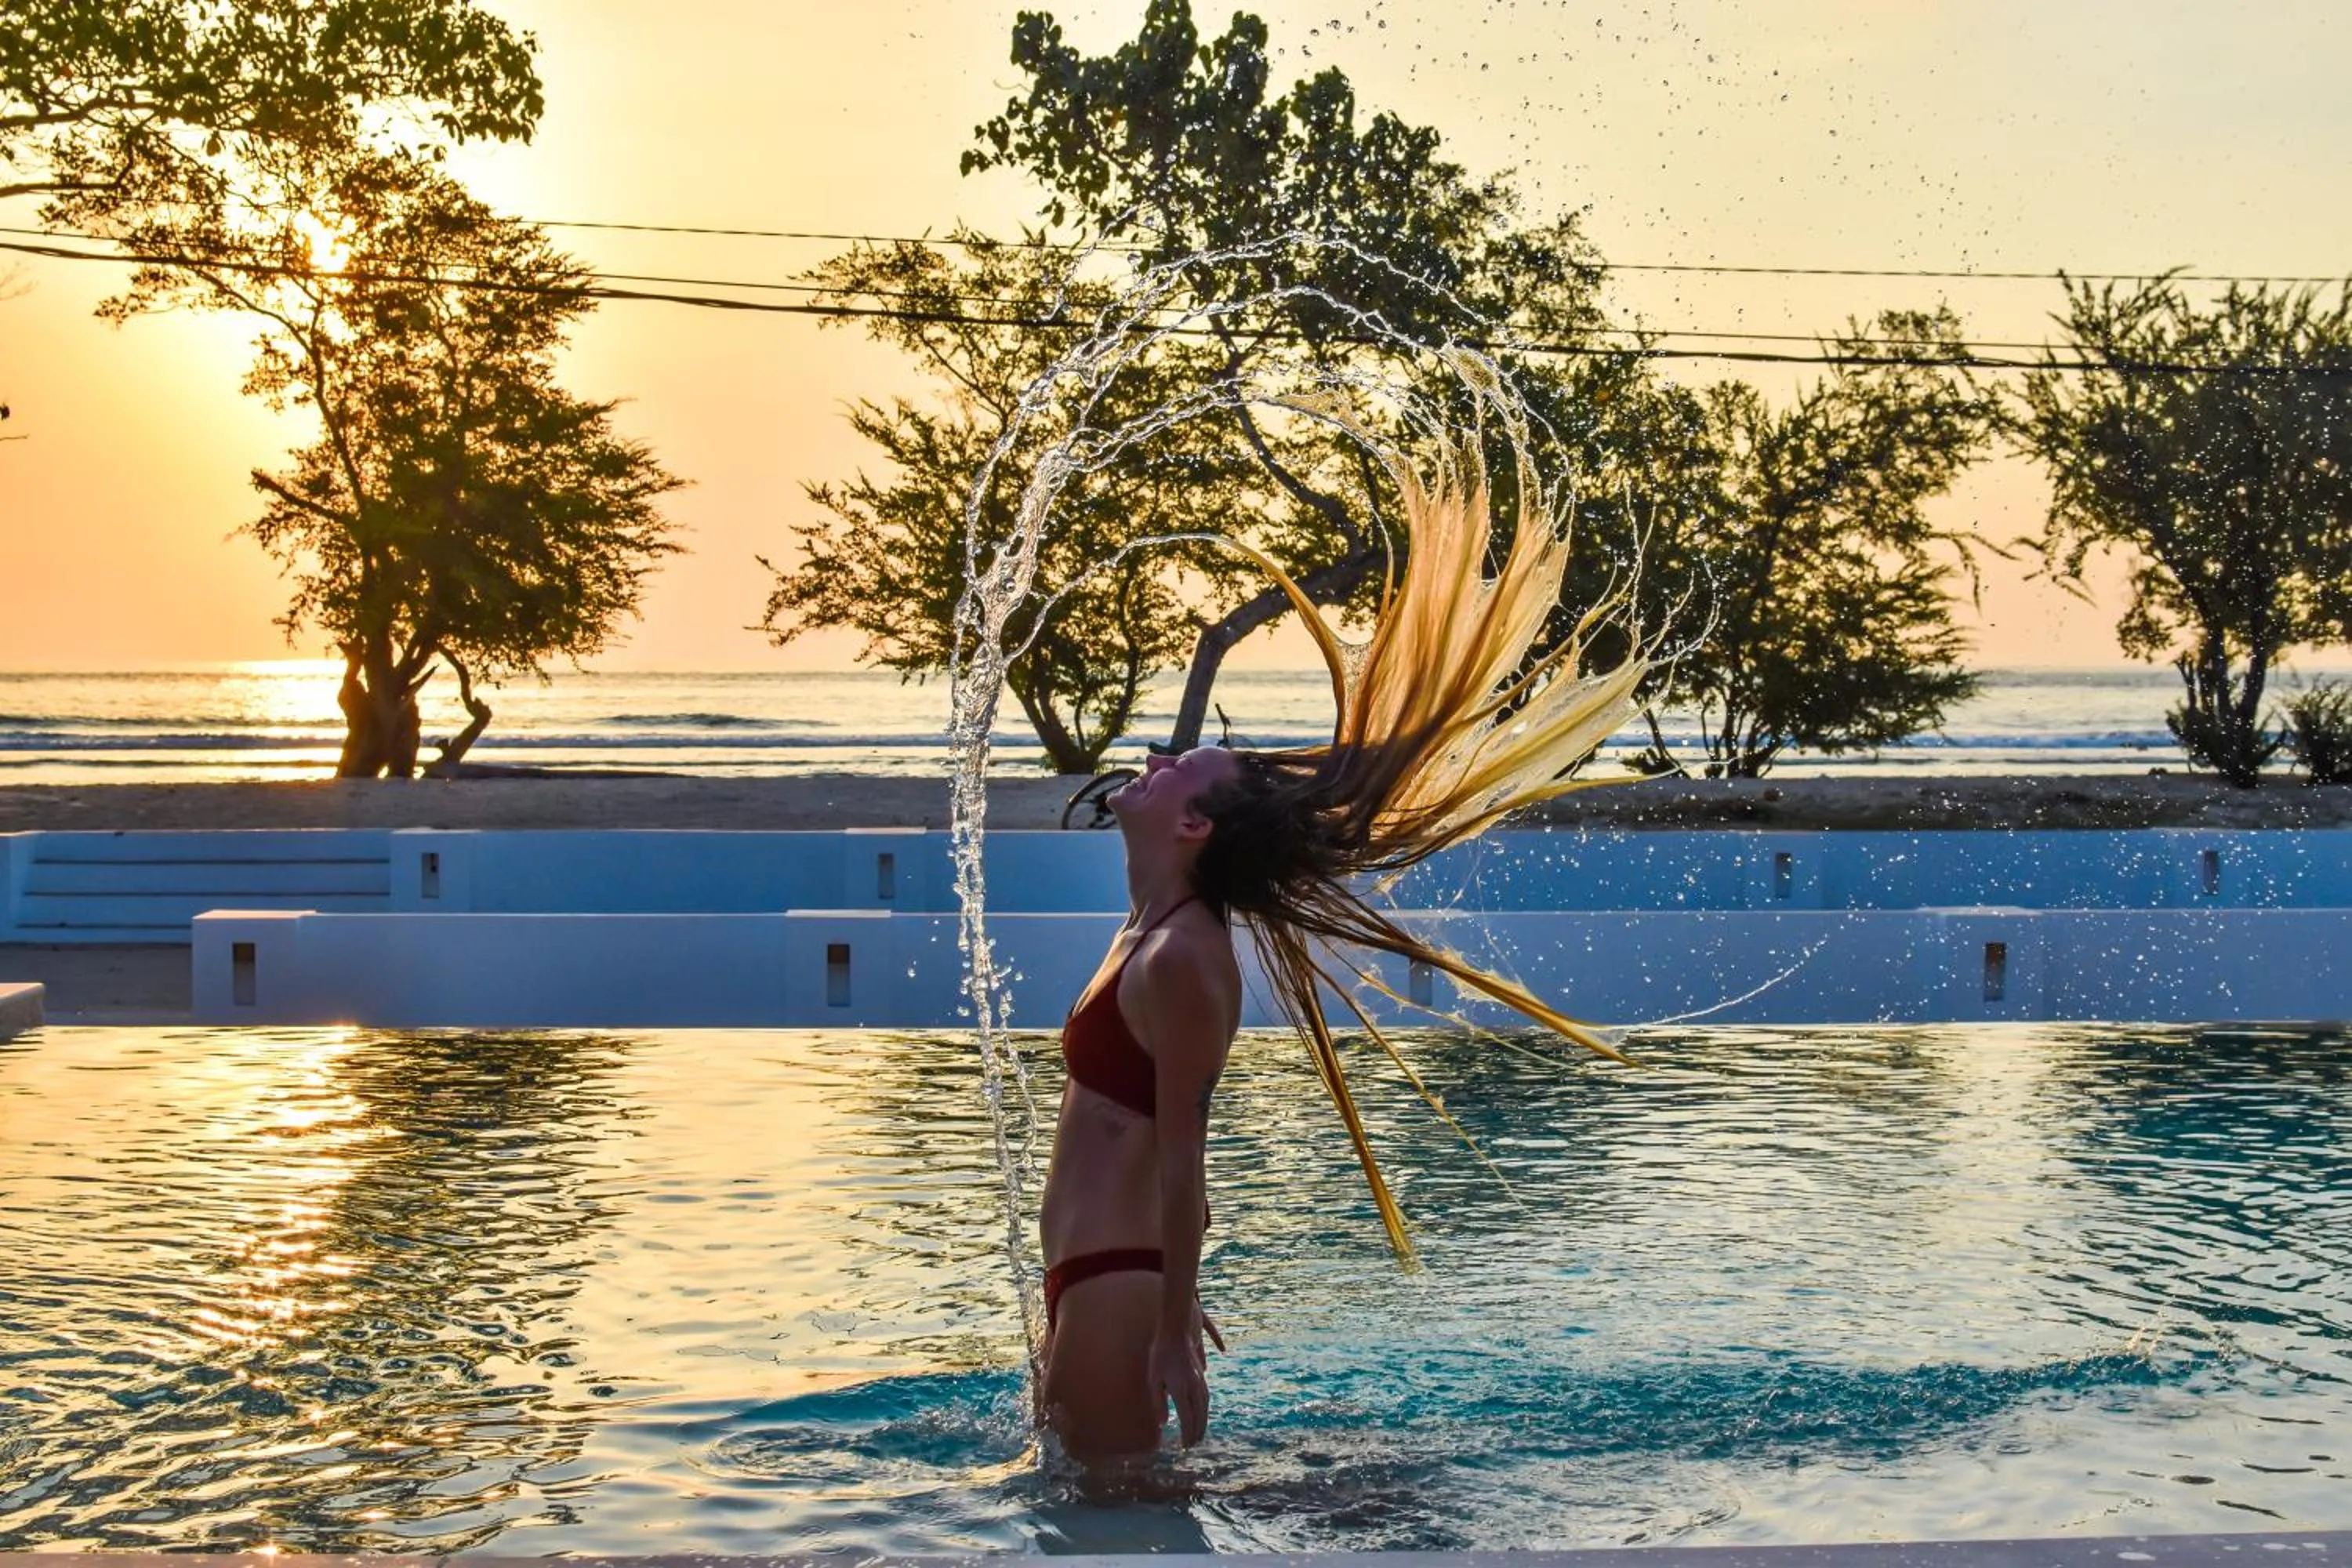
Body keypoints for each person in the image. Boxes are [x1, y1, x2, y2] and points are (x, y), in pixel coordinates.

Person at [1034, 370, 1653, 1461]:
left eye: (1186, 766)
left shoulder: (1180, 957)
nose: (1162, 757)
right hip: (1100, 1281)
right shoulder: (1143, 934)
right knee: (1101, 1518)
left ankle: (1368, 1504)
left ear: (1195, 830)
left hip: (1120, 1289)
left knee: (1112, 1534)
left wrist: (1169, 1327)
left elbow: (1188, 1168)